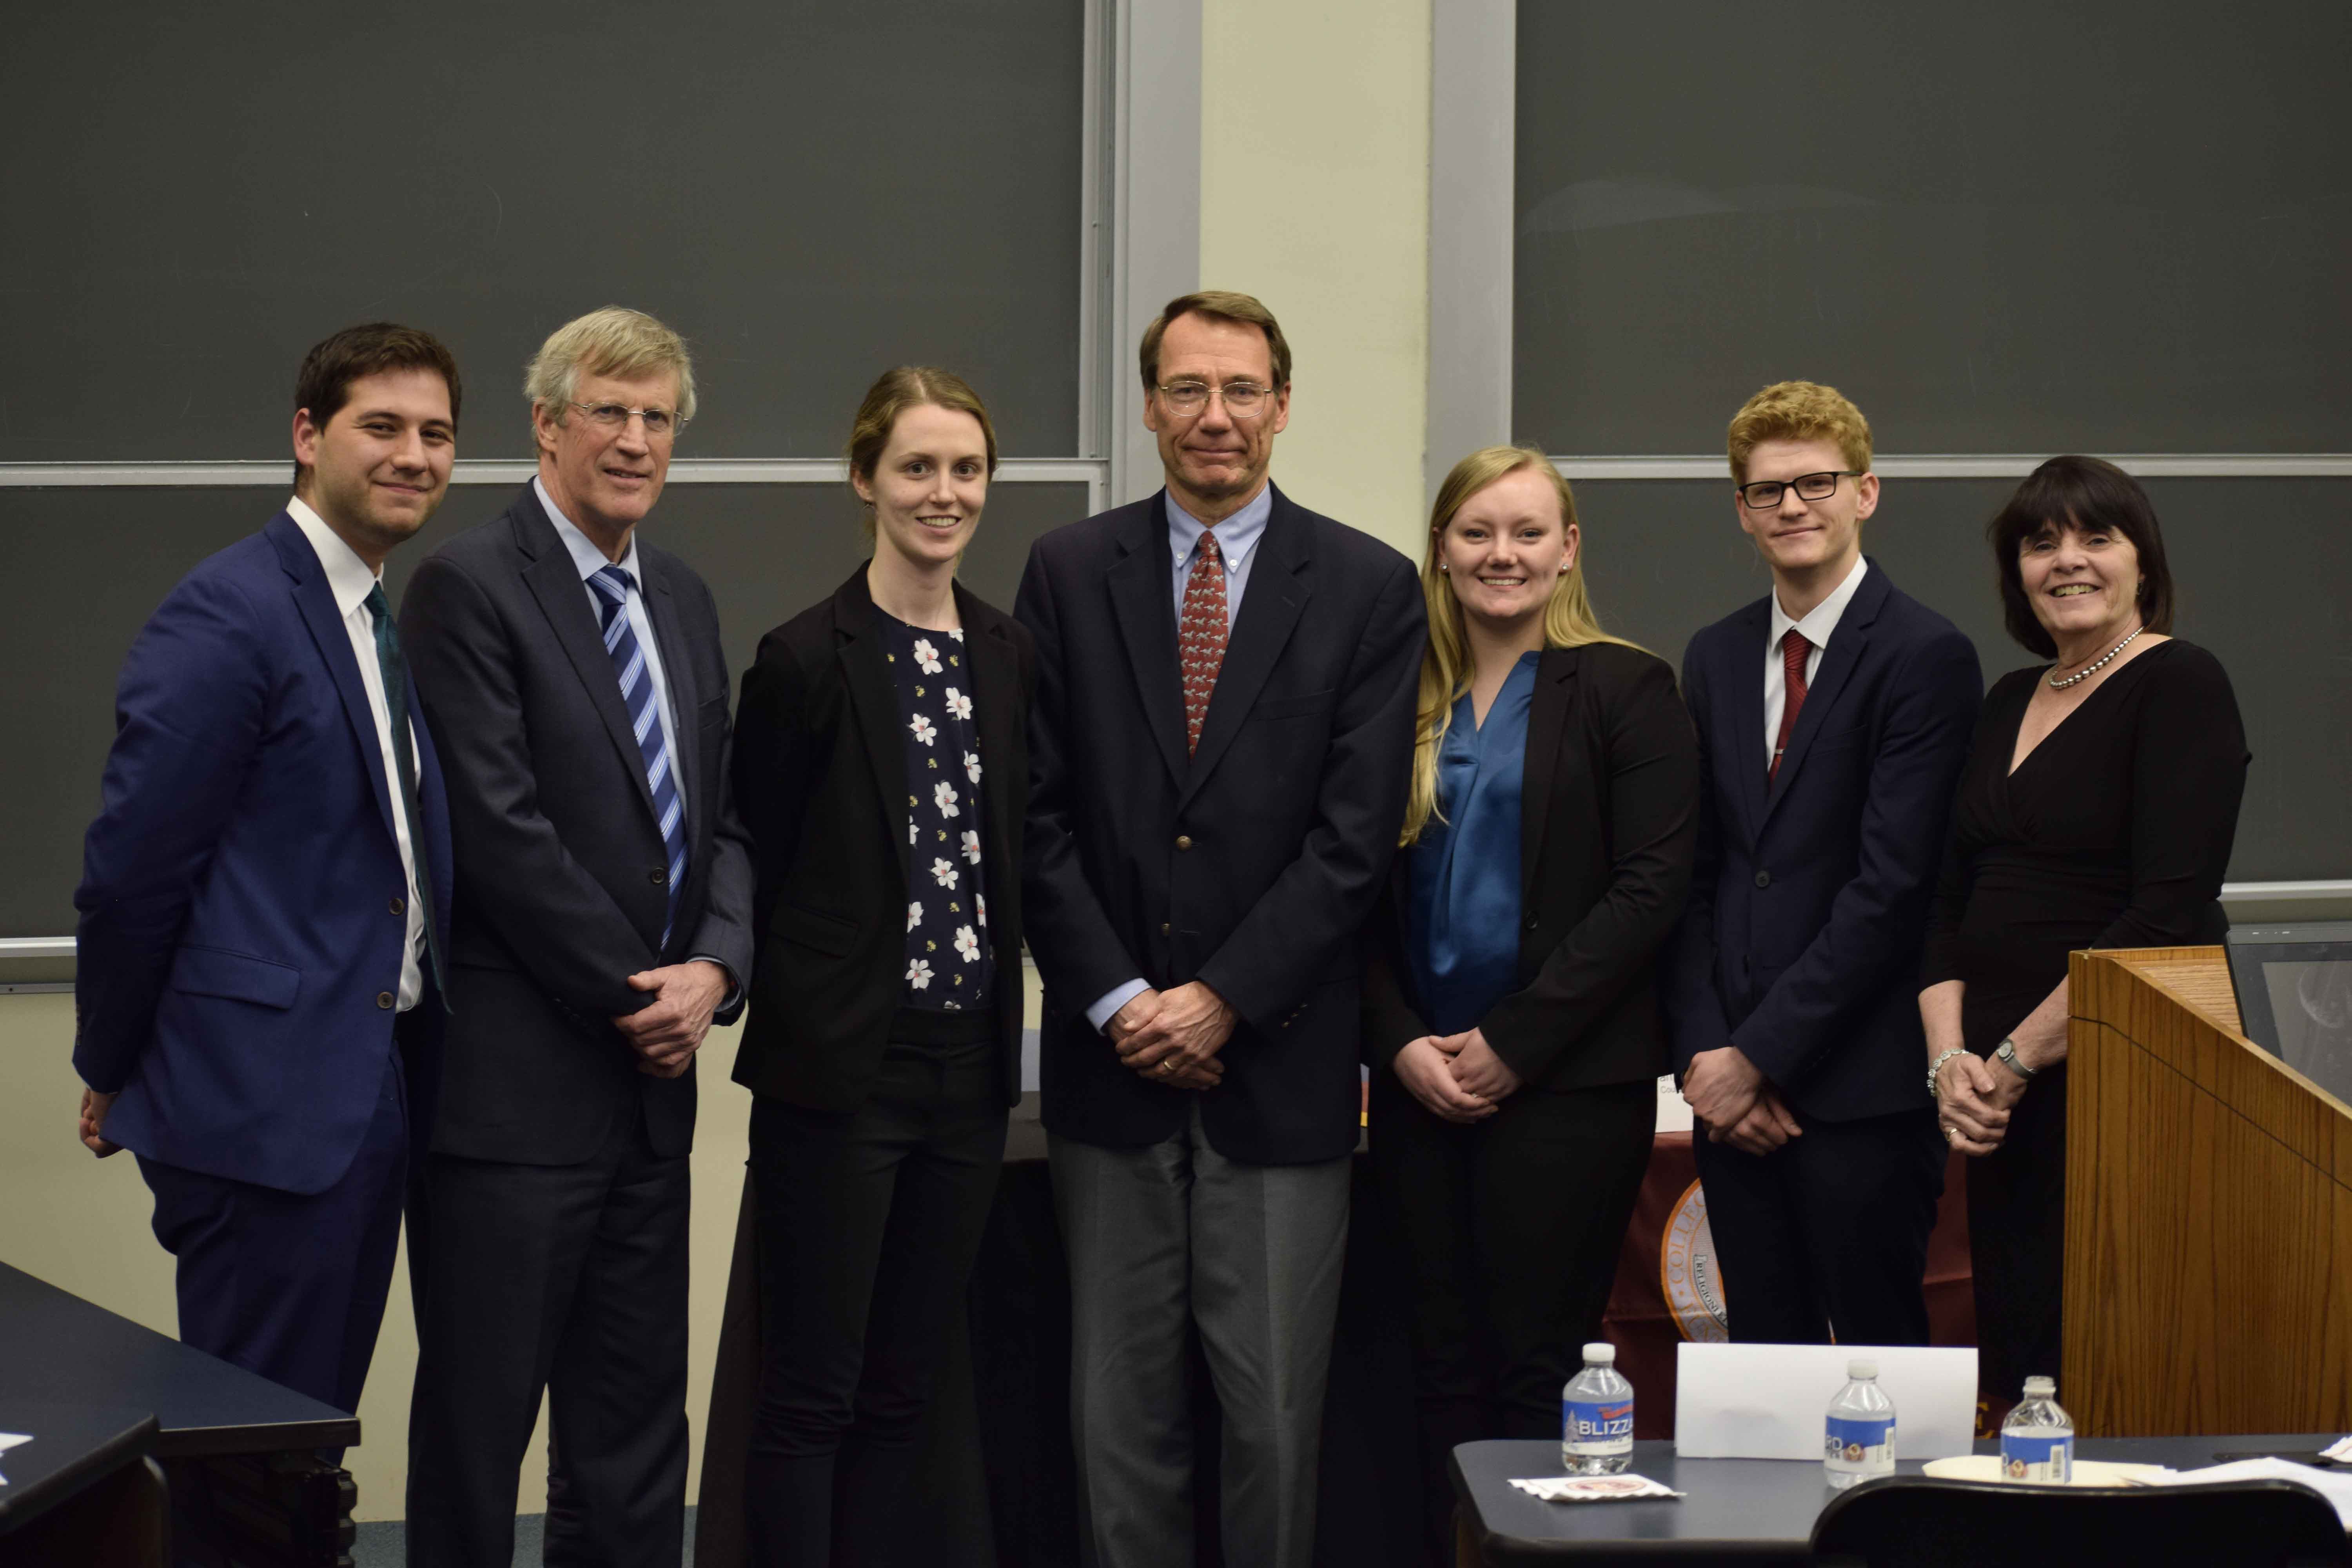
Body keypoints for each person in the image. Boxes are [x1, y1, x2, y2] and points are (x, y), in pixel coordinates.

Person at [1016, 290, 1425, 1568]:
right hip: (1110, 1069)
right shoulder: (1069, 574)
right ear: (1148, 408)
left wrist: (1221, 999)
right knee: (1115, 1420)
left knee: (1276, 1421)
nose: (1214, 417)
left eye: (1241, 389)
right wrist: (1122, 1002)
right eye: (1187, 389)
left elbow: (1354, 841)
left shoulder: (1366, 585)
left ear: (1283, 406)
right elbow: (1033, 818)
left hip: (1281, 1066)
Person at [399, 307, 754, 1567]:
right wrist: (636, 995)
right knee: (478, 1433)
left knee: (634, 1434)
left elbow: (724, 819)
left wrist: (714, 969)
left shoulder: (686, 596)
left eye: (659, 418)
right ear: (546, 425)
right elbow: (499, 834)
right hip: (516, 1106)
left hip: (654, 1107)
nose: (637, 439)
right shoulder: (469, 585)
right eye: (610, 410)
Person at [72, 322, 459, 1426]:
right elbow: (133, 871)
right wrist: (110, 1053)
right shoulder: (231, 610)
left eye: (435, 434)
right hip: (262, 1117)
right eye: (380, 427)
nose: (413, 456)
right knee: (250, 1460)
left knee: (303, 1448)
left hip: (365, 1091)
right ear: (306, 435)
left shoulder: (373, 618)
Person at [1362, 446, 1698, 1564]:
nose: (1500, 554)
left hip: (1564, 1088)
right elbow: (1346, 890)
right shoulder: (1393, 690)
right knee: (1433, 1360)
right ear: (1443, 550)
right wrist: (1402, 1043)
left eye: (1525, 533)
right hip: (1416, 1087)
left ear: (1568, 551)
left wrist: (1512, 1043)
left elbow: (1650, 889)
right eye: (1476, 532)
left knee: (1534, 1361)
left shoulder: (1626, 688)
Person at [728, 367, 1035, 1566]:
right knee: (813, 1388)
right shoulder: (805, 656)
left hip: (968, 1076)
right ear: (867, 480)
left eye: (966, 470)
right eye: (917, 467)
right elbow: (758, 843)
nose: (943, 493)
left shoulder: (1009, 652)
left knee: (910, 1385)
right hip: (841, 1075)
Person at [1922, 455, 2247, 1416]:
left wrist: (2018, 1057)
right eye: (2040, 541)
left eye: (2096, 536)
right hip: (1993, 1097)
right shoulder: (2005, 699)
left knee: (2111, 1355)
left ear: (2142, 561)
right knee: (2021, 1347)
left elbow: (2167, 910)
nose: (2068, 559)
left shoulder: (2182, 681)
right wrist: (1954, 1067)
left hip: (2126, 1072)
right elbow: (1942, 904)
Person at [1662, 380, 1981, 1346]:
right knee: (1762, 1375)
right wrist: (1708, 1059)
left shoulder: (1927, 655)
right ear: (1742, 511)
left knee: (1878, 1374)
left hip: (1861, 1097)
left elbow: (1891, 890)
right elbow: (1696, 877)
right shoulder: (1713, 656)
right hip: (1733, 1104)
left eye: (1817, 482)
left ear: (1866, 493)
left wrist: (1760, 1059)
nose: (1793, 506)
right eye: (1769, 490)